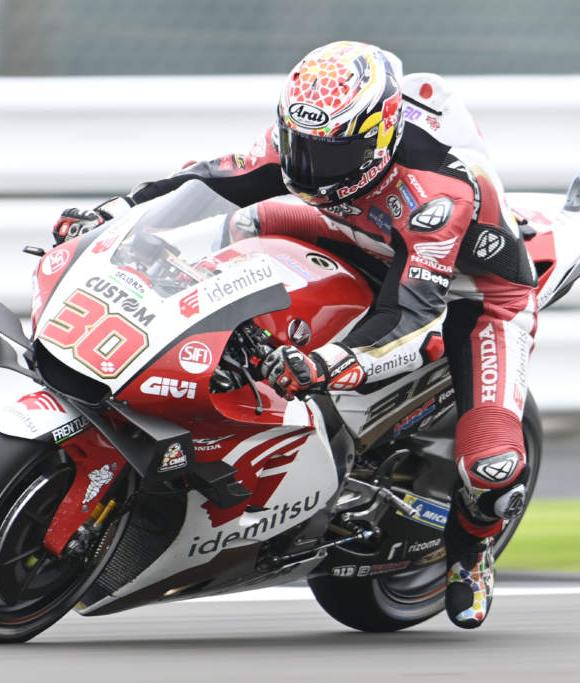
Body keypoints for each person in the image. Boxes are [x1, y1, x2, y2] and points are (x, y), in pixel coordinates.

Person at [53, 41, 537, 629]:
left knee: (492, 464)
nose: (306, 167)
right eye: (298, 145)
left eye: (328, 154)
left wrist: (332, 362)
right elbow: (205, 183)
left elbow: (412, 314)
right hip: (354, 227)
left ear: (379, 136)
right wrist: (112, 216)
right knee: (223, 235)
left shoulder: (437, 194)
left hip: (466, 292)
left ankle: (471, 554)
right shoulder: (308, 150)